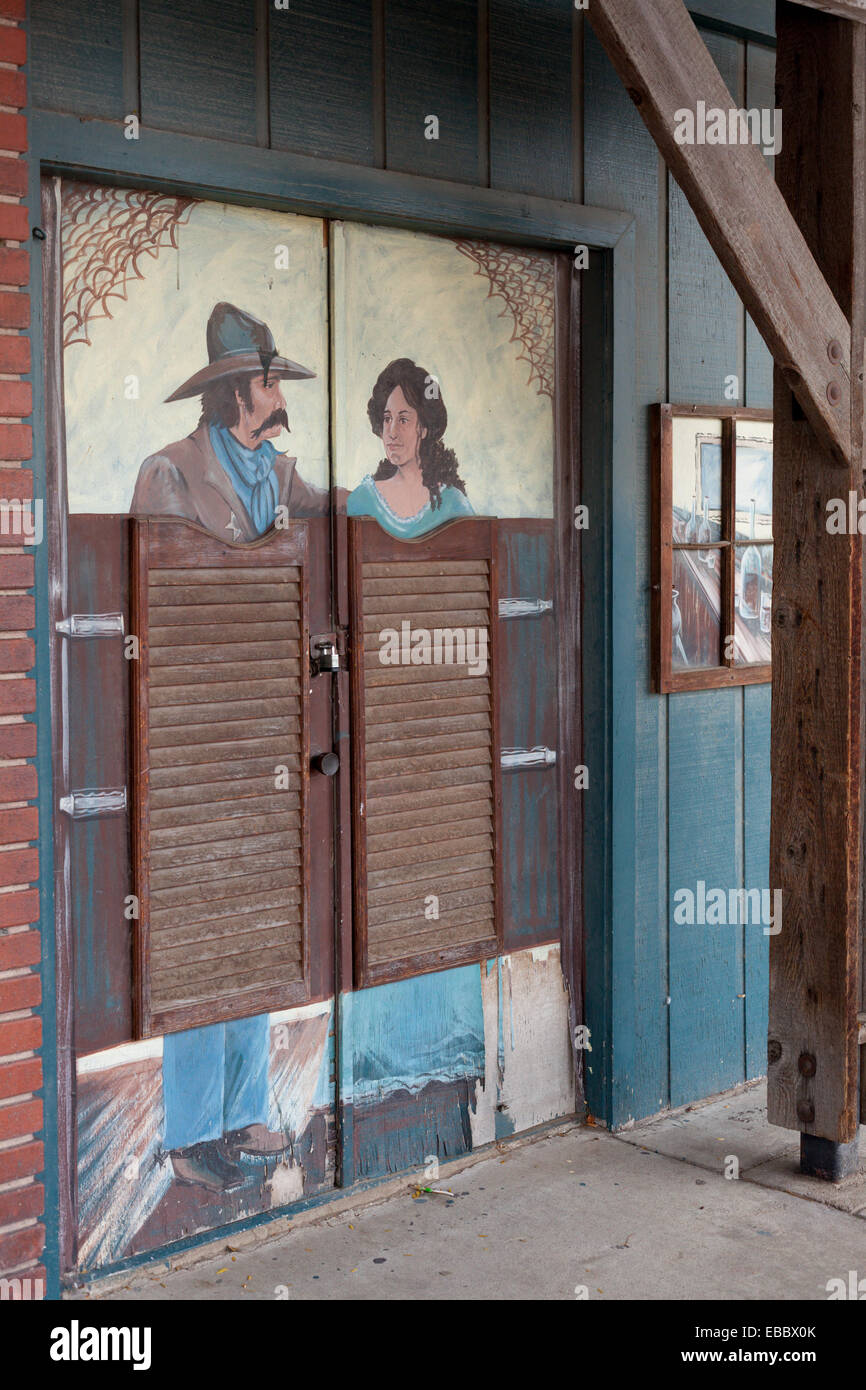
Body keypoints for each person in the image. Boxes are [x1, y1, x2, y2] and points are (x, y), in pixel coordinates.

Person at [132, 302, 323, 1191]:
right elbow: (161, 602)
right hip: (194, 737)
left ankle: (245, 1114)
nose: (279, 395)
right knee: (195, 929)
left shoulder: (285, 477)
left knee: (255, 918)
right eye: (270, 381)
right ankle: (187, 1131)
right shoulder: (168, 475)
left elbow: (337, 552)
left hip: (268, 738)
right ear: (235, 393)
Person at [131, 301, 328, 537]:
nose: (281, 403)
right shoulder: (171, 470)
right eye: (269, 385)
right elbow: (159, 567)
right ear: (237, 393)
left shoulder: (277, 471)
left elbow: (330, 502)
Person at [347, 358, 474, 538]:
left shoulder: (453, 503)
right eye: (387, 418)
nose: (391, 432)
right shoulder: (362, 500)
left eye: (403, 420)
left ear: (423, 428)